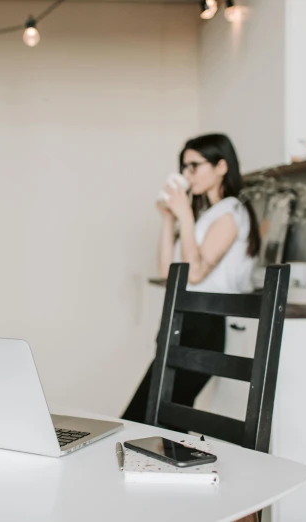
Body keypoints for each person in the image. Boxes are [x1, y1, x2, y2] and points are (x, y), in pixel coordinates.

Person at [122, 133, 260, 422]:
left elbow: (195, 274)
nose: (187, 175)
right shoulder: (207, 215)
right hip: (182, 321)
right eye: (184, 167)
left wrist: (184, 215)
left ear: (221, 166)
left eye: (194, 166)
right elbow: (168, 273)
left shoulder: (232, 211)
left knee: (148, 418)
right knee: (159, 418)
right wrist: (169, 218)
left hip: (203, 324)